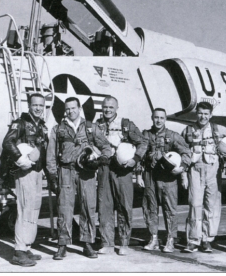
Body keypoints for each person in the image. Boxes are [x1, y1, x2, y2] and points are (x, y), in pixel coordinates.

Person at [46, 97, 112, 260]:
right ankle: (62, 244)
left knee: (88, 206)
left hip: (86, 172)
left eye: (73, 108)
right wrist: (53, 176)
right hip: (66, 171)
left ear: (79, 108)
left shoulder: (90, 127)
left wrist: (102, 158)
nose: (70, 111)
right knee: (64, 208)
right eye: (67, 109)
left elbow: (106, 146)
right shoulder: (58, 129)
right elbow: (51, 155)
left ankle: (87, 243)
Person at [95, 96, 148, 255]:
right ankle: (107, 242)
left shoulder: (126, 125)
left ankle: (124, 242)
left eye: (111, 107)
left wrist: (135, 159)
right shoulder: (96, 125)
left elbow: (143, 142)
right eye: (105, 107)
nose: (108, 110)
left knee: (124, 206)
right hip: (104, 168)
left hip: (122, 170)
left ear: (116, 108)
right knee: (105, 206)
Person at [0, 93, 48, 267]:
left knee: (34, 208)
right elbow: (7, 142)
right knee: (24, 207)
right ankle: (18, 251)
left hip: (37, 172)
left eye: (41, 105)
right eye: (35, 105)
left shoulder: (42, 126)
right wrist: (20, 159)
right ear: (29, 105)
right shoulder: (19, 123)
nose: (38, 108)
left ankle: (26, 245)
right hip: (24, 171)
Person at [181, 101, 226, 253]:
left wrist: (225, 146)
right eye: (200, 113)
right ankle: (193, 240)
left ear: (210, 115)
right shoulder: (188, 130)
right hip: (195, 169)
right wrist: (183, 175)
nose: (203, 116)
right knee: (194, 204)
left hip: (213, 170)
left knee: (212, 206)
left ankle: (207, 239)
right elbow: (182, 150)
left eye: (206, 114)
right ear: (196, 114)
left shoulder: (217, 129)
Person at [137, 108, 191, 253]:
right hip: (150, 175)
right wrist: (138, 174)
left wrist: (182, 168)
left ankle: (171, 239)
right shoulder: (146, 135)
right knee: (150, 207)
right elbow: (139, 153)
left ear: (165, 119)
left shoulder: (172, 136)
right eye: (156, 117)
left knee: (170, 209)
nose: (158, 120)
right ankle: (153, 238)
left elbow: (186, 152)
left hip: (167, 177)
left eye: (161, 118)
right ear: (152, 118)